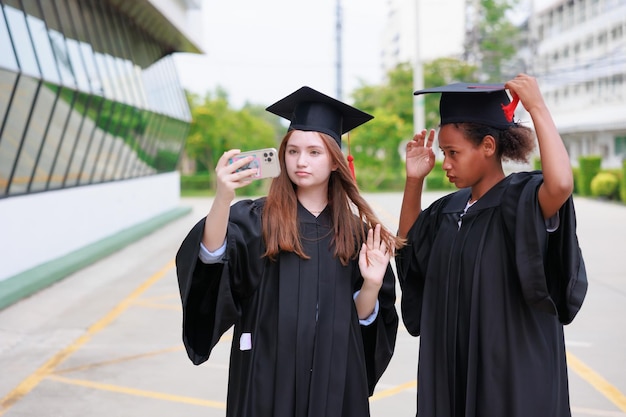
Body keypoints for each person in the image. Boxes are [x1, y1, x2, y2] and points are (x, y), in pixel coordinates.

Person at [175, 86, 403, 417]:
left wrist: (370, 283)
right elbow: (212, 262)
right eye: (293, 151)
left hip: (334, 377)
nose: (300, 161)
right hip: (266, 375)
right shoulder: (256, 220)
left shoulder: (358, 233)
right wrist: (222, 198)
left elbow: (367, 328)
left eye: (314, 152)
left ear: (336, 161)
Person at [395, 73, 588, 417]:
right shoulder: (448, 210)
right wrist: (414, 182)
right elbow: (410, 249)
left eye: (453, 152)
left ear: (487, 146)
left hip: (509, 377)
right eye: (443, 153)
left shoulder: (521, 201)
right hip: (453, 371)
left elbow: (559, 185)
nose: (446, 164)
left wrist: (537, 107)